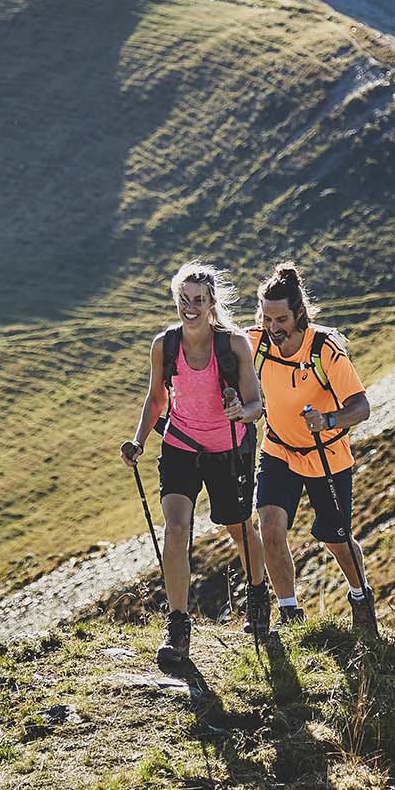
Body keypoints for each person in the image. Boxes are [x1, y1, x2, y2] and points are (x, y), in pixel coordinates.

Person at [120, 262, 268, 671]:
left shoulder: (234, 344)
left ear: (212, 303)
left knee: (239, 529)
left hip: (228, 449)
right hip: (180, 446)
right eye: (183, 300)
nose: (190, 308)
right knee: (177, 528)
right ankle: (178, 627)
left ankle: (258, 598)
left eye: (198, 300)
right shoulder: (164, 346)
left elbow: (257, 404)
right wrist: (139, 439)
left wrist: (242, 410)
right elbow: (156, 400)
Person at [248, 263, 377, 636]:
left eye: (282, 319)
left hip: (327, 455)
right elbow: (221, 350)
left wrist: (329, 420)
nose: (274, 327)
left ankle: (360, 597)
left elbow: (361, 407)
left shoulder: (326, 350)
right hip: (279, 449)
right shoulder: (255, 342)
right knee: (269, 529)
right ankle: (290, 614)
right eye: (267, 318)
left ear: (299, 313)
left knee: (336, 539)